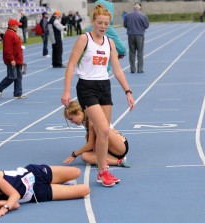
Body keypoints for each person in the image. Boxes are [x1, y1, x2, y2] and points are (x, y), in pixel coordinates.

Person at [61, 4, 135, 187]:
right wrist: (66, 91)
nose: (102, 26)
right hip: (86, 87)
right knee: (101, 129)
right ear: (93, 22)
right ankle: (103, 172)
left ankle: (104, 170)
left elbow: (117, 70)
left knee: (105, 132)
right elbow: (71, 65)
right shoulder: (84, 39)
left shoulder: (109, 43)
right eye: (100, 22)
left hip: (104, 86)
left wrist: (128, 91)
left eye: (106, 24)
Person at [0, 164, 90, 218]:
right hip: (37, 193)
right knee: (85, 190)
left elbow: (15, 195)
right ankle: (60, 184)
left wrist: (3, 209)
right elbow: (16, 204)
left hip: (35, 174)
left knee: (77, 172)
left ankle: (60, 181)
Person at [63, 101, 130, 167]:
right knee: (84, 156)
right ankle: (119, 161)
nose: (71, 122)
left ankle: (107, 160)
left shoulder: (91, 118)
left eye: (71, 119)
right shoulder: (86, 121)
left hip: (120, 146)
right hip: (110, 150)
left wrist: (74, 154)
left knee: (97, 128)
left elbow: (90, 145)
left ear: (78, 113)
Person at [86, 0, 127, 74]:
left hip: (88, 69)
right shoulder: (108, 28)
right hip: (102, 70)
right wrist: (119, 53)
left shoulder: (88, 28)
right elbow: (122, 49)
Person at [0, 18, 27, 99]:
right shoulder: (9, 34)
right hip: (13, 60)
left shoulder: (12, 33)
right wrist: (11, 59)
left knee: (19, 76)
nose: (17, 26)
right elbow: (8, 49)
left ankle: (18, 93)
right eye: (16, 25)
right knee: (12, 76)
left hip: (17, 59)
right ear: (13, 26)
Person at [124, 2, 149, 74]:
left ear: (134, 7)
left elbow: (125, 25)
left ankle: (132, 69)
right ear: (140, 7)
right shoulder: (143, 15)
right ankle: (140, 69)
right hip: (139, 35)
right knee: (140, 52)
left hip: (130, 35)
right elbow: (146, 26)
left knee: (132, 52)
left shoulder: (128, 15)